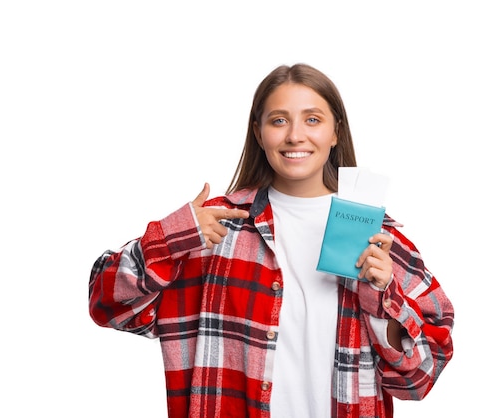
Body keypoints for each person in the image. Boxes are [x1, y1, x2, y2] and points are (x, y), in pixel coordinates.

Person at [89, 63, 454, 418]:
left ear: (335, 132)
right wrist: (170, 237)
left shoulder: (379, 239)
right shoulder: (214, 228)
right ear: (259, 131)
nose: (295, 135)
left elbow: (418, 380)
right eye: (279, 120)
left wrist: (384, 297)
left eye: (313, 119)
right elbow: (109, 305)